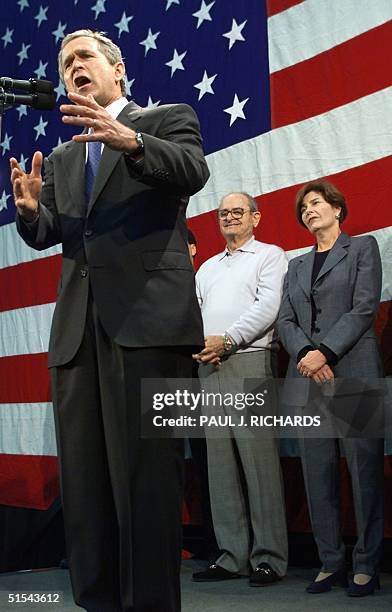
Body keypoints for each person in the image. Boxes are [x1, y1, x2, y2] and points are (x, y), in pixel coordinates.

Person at [10, 29, 209, 612]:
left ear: (116, 70)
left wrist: (132, 141)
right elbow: (57, 233)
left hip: (148, 325)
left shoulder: (168, 117)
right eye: (65, 61)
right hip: (77, 333)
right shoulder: (68, 157)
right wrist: (29, 214)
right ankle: (96, 600)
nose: (73, 66)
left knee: (145, 484)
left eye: (84, 56)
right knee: (87, 484)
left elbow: (191, 171)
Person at [277, 179, 384, 597]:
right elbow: (286, 320)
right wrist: (307, 352)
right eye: (303, 207)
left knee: (364, 469)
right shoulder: (296, 266)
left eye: (316, 203)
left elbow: (364, 307)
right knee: (317, 470)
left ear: (337, 209)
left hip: (354, 369)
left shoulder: (363, 249)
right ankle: (330, 561)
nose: (309, 211)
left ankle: (366, 562)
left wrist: (326, 351)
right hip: (307, 376)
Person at [192, 192, 288, 586]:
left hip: (249, 360)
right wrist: (204, 347)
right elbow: (194, 313)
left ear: (256, 217)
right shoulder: (207, 269)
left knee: (258, 462)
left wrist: (227, 340)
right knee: (220, 466)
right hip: (209, 367)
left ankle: (269, 557)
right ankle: (232, 555)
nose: (230, 217)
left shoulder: (270, 255)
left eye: (238, 211)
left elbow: (269, 307)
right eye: (224, 213)